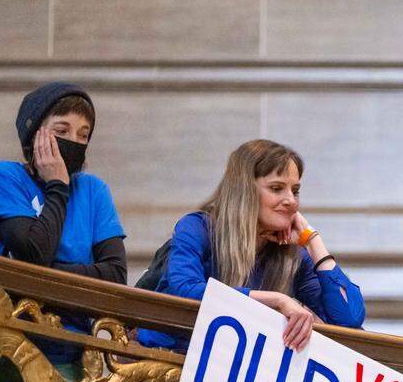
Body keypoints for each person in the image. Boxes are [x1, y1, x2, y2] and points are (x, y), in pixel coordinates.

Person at [0, 82, 126, 382]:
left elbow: (115, 275)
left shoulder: (94, 191)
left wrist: (50, 271)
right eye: (62, 129)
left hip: (72, 362)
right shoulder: (5, 178)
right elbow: (31, 252)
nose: (75, 140)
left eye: (84, 133)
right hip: (10, 354)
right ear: (34, 135)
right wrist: (55, 186)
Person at [139, 139, 365, 351]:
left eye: (295, 191)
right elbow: (185, 293)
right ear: (244, 190)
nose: (291, 201)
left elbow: (349, 321)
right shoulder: (198, 228)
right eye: (277, 188)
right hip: (165, 364)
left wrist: (312, 240)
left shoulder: (292, 255)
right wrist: (277, 300)